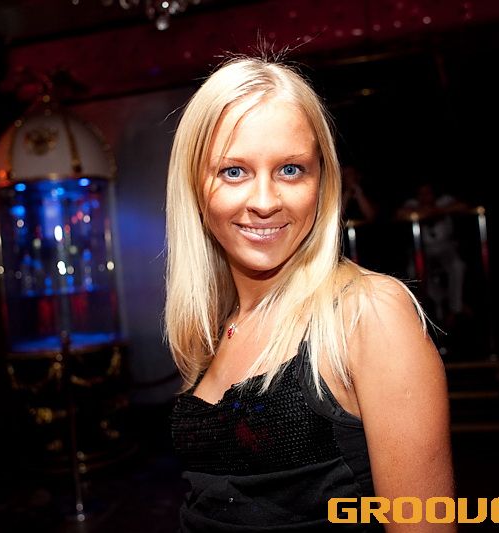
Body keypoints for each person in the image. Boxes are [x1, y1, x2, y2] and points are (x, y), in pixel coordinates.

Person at [166, 57, 454, 531]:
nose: (264, 201)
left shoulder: (368, 314)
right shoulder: (213, 325)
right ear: (195, 188)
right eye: (234, 171)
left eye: (291, 169)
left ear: (322, 182)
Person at [395, 183, 470, 326]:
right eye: (421, 194)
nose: (425, 197)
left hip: (446, 246)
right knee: (414, 269)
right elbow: (399, 214)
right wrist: (423, 212)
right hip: (423, 249)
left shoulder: (444, 200)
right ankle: (437, 301)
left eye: (428, 193)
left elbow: (463, 206)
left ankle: (455, 309)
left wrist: (437, 211)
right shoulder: (413, 204)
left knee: (457, 265)